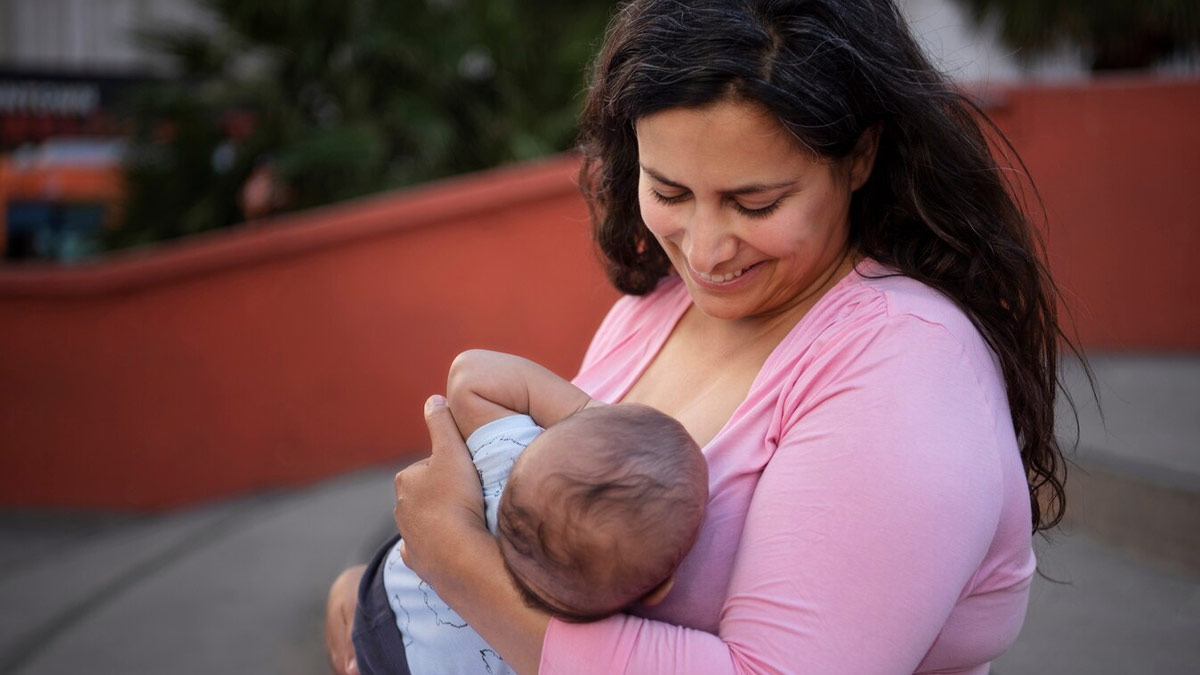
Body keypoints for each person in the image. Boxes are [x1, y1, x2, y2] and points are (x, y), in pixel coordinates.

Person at [327, 1, 1079, 672]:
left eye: (755, 202)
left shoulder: (906, 366)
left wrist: (461, 571)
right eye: (671, 191)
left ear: (860, 156)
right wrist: (397, 607)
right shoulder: (655, 309)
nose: (708, 250)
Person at [348, 349, 707, 675]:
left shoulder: (511, 458)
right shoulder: (594, 635)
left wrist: (585, 410)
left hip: (391, 595)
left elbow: (472, 373)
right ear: (659, 590)